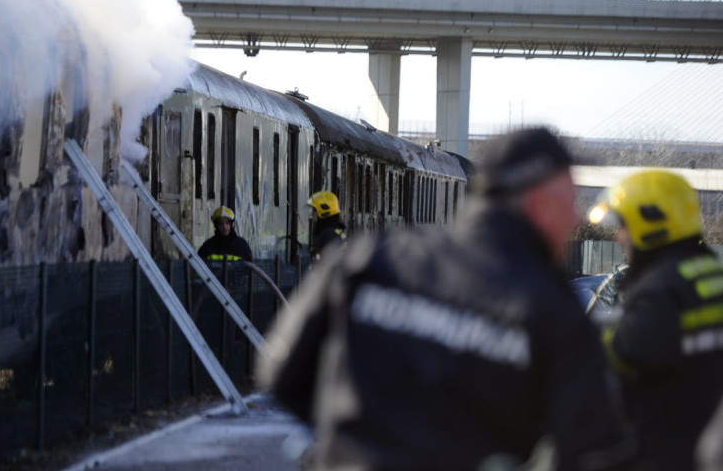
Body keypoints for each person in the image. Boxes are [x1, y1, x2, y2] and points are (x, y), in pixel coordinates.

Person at [256, 127, 634, 471]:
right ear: (539, 203)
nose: (574, 219)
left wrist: (350, 446)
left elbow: (279, 371)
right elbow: (594, 453)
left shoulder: (368, 258)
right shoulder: (556, 314)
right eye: (569, 201)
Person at [590, 170, 723, 470]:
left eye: (624, 225)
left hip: (662, 452)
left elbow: (621, 354)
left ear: (652, 225)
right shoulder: (707, 273)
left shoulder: (661, 290)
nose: (618, 235)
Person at [306, 190, 346, 261]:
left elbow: (328, 264)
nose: (311, 213)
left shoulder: (330, 235)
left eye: (313, 210)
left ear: (324, 210)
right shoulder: (333, 230)